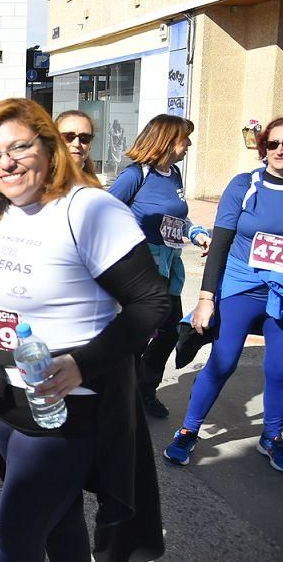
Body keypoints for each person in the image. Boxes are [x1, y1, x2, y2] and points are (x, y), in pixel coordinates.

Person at [0, 98, 168, 562]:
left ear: (49, 147)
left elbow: (152, 301)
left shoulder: (88, 209)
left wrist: (81, 365)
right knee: (59, 523)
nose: (4, 163)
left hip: (62, 406)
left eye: (19, 148)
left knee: (16, 537)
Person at [164, 113, 283, 474]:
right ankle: (189, 429)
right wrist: (205, 299)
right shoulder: (245, 185)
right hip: (242, 287)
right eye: (272, 143)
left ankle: (272, 437)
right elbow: (220, 245)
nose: (279, 150)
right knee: (223, 360)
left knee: (279, 369)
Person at [107, 115, 211, 418]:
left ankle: (144, 390)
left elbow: (175, 218)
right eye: (184, 139)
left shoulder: (174, 173)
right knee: (139, 335)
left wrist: (194, 232)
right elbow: (102, 213)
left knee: (166, 332)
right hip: (140, 267)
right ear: (166, 141)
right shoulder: (135, 175)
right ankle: (120, 397)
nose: (189, 144)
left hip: (169, 264)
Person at [54, 110, 99, 184]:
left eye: (85, 138)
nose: (77, 144)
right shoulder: (37, 185)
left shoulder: (95, 191)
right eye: (68, 137)